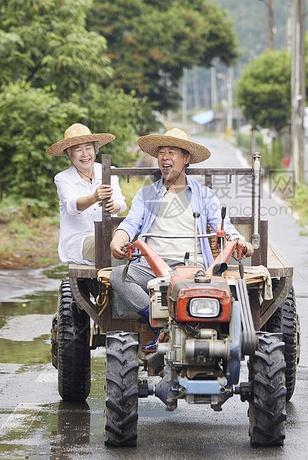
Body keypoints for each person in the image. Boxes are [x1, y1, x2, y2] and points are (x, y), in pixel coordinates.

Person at [109, 128, 254, 348]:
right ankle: (160, 324)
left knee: (223, 293)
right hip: (152, 267)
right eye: (161, 152)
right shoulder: (146, 194)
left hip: (193, 268)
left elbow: (222, 226)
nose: (165, 157)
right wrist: (117, 240)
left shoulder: (204, 195)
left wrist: (239, 241)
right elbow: (130, 224)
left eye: (172, 152)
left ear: (186, 158)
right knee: (119, 275)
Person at [47, 123, 126, 265]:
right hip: (80, 240)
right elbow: (72, 205)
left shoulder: (108, 171)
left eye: (88, 148)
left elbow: (121, 202)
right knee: (114, 248)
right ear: (69, 155)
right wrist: (94, 197)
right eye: (78, 150)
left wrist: (114, 206)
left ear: (95, 151)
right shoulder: (63, 178)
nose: (85, 154)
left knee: (136, 245)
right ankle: (117, 285)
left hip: (110, 234)